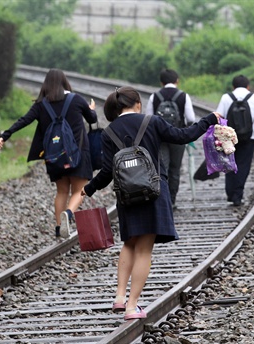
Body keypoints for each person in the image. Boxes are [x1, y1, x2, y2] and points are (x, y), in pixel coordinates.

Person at [81, 86, 220, 320]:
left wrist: (89, 188)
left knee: (129, 244)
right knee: (144, 250)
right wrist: (208, 120)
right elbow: (183, 136)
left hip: (126, 195)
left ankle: (119, 297)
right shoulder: (152, 121)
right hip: (153, 190)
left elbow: (107, 172)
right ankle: (132, 306)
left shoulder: (109, 132)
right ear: (137, 103)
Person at [0, 68, 97, 238]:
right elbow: (92, 119)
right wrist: (91, 108)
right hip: (78, 154)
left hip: (55, 156)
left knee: (61, 192)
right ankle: (69, 214)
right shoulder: (76, 99)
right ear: (64, 82)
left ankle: (59, 228)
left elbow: (24, 120)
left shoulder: (41, 105)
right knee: (79, 191)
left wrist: (5, 135)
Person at [215, 75, 254, 206]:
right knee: (243, 165)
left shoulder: (226, 97)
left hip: (229, 137)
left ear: (233, 86)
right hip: (248, 137)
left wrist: (216, 135)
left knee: (230, 163)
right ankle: (237, 196)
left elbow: (218, 116)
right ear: (248, 86)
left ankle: (230, 192)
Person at [145, 69, 196, 207]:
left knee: (162, 169)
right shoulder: (183, 96)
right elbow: (191, 118)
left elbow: (148, 119)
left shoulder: (154, 96)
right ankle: (172, 200)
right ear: (177, 81)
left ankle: (163, 200)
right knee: (175, 169)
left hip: (160, 139)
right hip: (178, 137)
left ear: (161, 82)